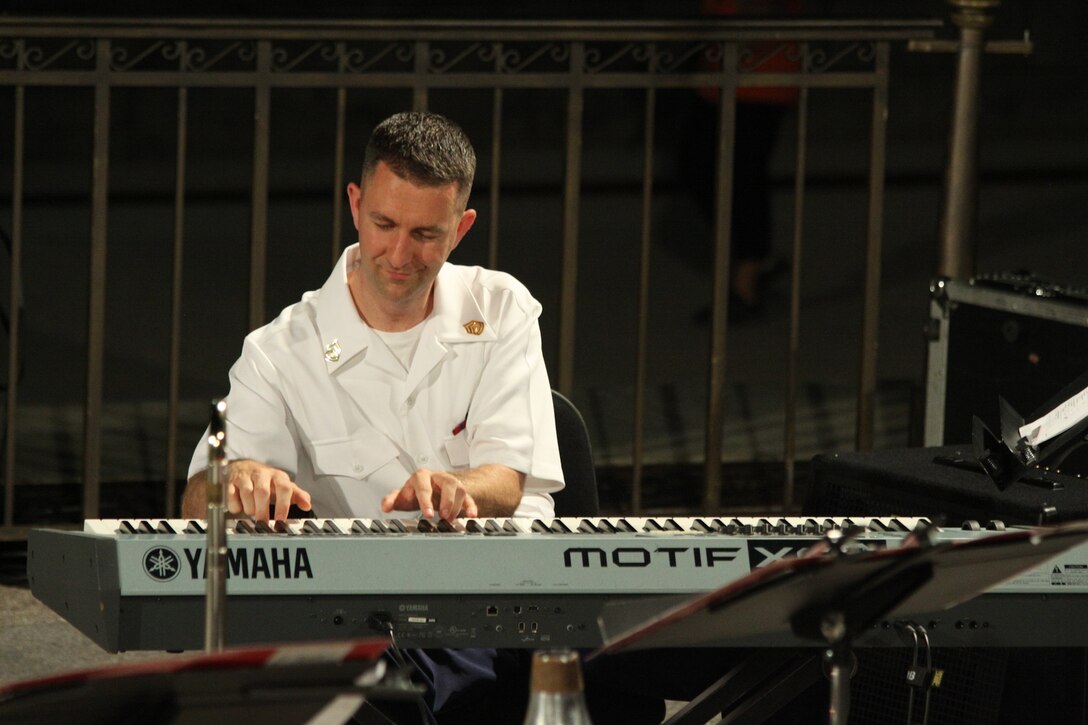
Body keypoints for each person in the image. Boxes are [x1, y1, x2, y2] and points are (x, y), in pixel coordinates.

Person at [181, 110, 565, 722]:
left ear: (461, 228)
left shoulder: (501, 307)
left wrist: (456, 488)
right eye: (384, 224)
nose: (398, 254)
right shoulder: (279, 351)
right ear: (355, 205)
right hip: (368, 625)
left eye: (426, 234)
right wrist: (239, 482)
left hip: (499, 602)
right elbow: (200, 498)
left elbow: (508, 478)